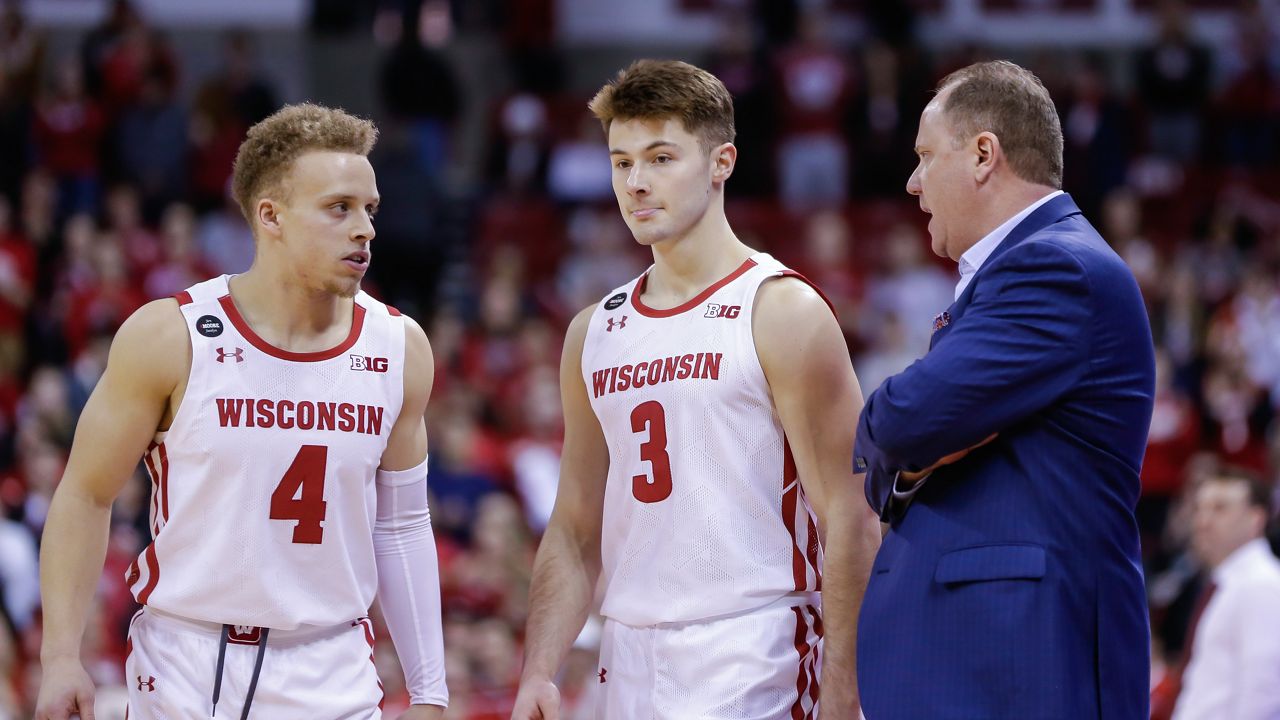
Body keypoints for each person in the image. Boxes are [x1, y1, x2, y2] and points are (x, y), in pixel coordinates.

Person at [35, 103, 447, 720]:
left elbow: (404, 525)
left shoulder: (400, 346)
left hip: (330, 667)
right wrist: (61, 656)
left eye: (370, 209)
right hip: (183, 662)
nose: (365, 228)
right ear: (271, 216)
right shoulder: (171, 335)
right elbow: (85, 495)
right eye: (340, 208)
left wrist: (429, 691)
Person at [510, 59, 880, 720]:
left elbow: (851, 518)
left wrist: (844, 693)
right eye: (622, 163)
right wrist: (539, 668)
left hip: (754, 649)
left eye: (660, 158)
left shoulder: (781, 310)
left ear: (721, 162)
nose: (637, 183)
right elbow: (572, 529)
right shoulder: (592, 332)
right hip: (625, 659)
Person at [853, 60, 1155, 719]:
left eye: (926, 157)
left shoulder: (1054, 265)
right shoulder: (1023, 273)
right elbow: (895, 455)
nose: (912, 182)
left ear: (984, 154)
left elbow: (900, 420)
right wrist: (909, 458)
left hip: (1020, 669)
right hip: (987, 666)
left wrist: (903, 439)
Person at [1169, 470, 1280, 719]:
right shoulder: (1228, 584)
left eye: (1220, 508)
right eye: (1200, 509)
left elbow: (1264, 694)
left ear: (1256, 518)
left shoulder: (1261, 584)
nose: (1203, 521)